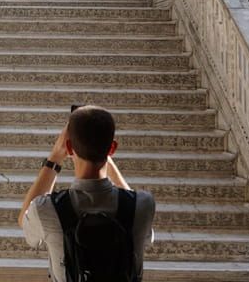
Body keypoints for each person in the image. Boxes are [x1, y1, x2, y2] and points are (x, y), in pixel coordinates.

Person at [18, 105, 155, 282]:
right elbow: (134, 207)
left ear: (68, 146)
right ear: (112, 148)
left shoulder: (47, 209)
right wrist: (102, 154)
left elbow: (24, 219)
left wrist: (54, 159)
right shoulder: (144, 204)